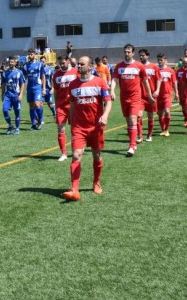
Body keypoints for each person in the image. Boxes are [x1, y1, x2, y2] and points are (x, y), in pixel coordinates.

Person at [62, 56, 113, 202]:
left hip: (96, 126)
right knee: (77, 155)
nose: (78, 66)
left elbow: (108, 102)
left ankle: (96, 182)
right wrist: (71, 122)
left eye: (82, 64)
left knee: (96, 155)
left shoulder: (99, 82)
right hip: (79, 127)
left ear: (90, 66)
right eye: (78, 63)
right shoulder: (73, 85)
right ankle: (74, 189)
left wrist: (105, 116)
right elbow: (71, 104)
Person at [110, 44, 154, 157]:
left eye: (129, 52)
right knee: (128, 122)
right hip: (124, 98)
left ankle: (131, 146)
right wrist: (112, 91)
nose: (126, 54)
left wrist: (149, 95)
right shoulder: (119, 66)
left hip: (135, 97)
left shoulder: (139, 66)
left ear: (133, 53)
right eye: (125, 52)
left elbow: (145, 82)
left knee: (133, 119)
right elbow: (114, 79)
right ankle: (133, 143)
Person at [52, 56, 78, 161]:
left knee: (74, 129)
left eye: (63, 63)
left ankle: (75, 148)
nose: (61, 65)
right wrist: (56, 104)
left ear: (68, 61)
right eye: (60, 63)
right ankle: (63, 153)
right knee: (60, 129)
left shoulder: (76, 72)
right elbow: (56, 91)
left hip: (73, 106)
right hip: (61, 106)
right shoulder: (56, 74)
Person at [138, 49, 161, 142]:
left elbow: (159, 79)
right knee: (139, 116)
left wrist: (157, 90)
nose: (141, 57)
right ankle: (140, 136)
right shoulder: (137, 66)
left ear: (147, 56)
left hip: (151, 95)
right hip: (140, 96)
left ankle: (149, 134)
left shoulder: (154, 67)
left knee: (150, 116)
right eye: (140, 55)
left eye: (143, 55)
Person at [0, 56, 25, 135]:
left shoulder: (19, 72)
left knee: (17, 112)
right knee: (5, 110)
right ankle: (10, 125)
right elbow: (3, 84)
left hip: (16, 95)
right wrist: (2, 94)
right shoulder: (5, 73)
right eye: (9, 62)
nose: (10, 63)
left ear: (15, 63)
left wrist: (21, 94)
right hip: (8, 95)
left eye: (12, 62)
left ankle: (17, 128)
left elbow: (22, 84)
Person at [23, 50, 46, 130]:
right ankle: (33, 123)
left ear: (35, 55)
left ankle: (40, 121)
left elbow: (43, 76)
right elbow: (24, 77)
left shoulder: (40, 64)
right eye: (29, 54)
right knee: (31, 106)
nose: (30, 55)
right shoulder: (25, 65)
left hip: (37, 87)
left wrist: (43, 88)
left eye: (32, 54)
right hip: (29, 88)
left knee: (37, 104)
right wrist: (24, 88)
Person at [156, 53, 178, 137]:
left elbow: (174, 82)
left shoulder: (170, 70)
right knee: (160, 114)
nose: (159, 61)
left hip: (167, 95)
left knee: (167, 112)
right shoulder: (156, 70)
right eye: (158, 60)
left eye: (161, 60)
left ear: (165, 60)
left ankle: (166, 129)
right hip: (158, 96)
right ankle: (163, 129)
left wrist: (176, 93)